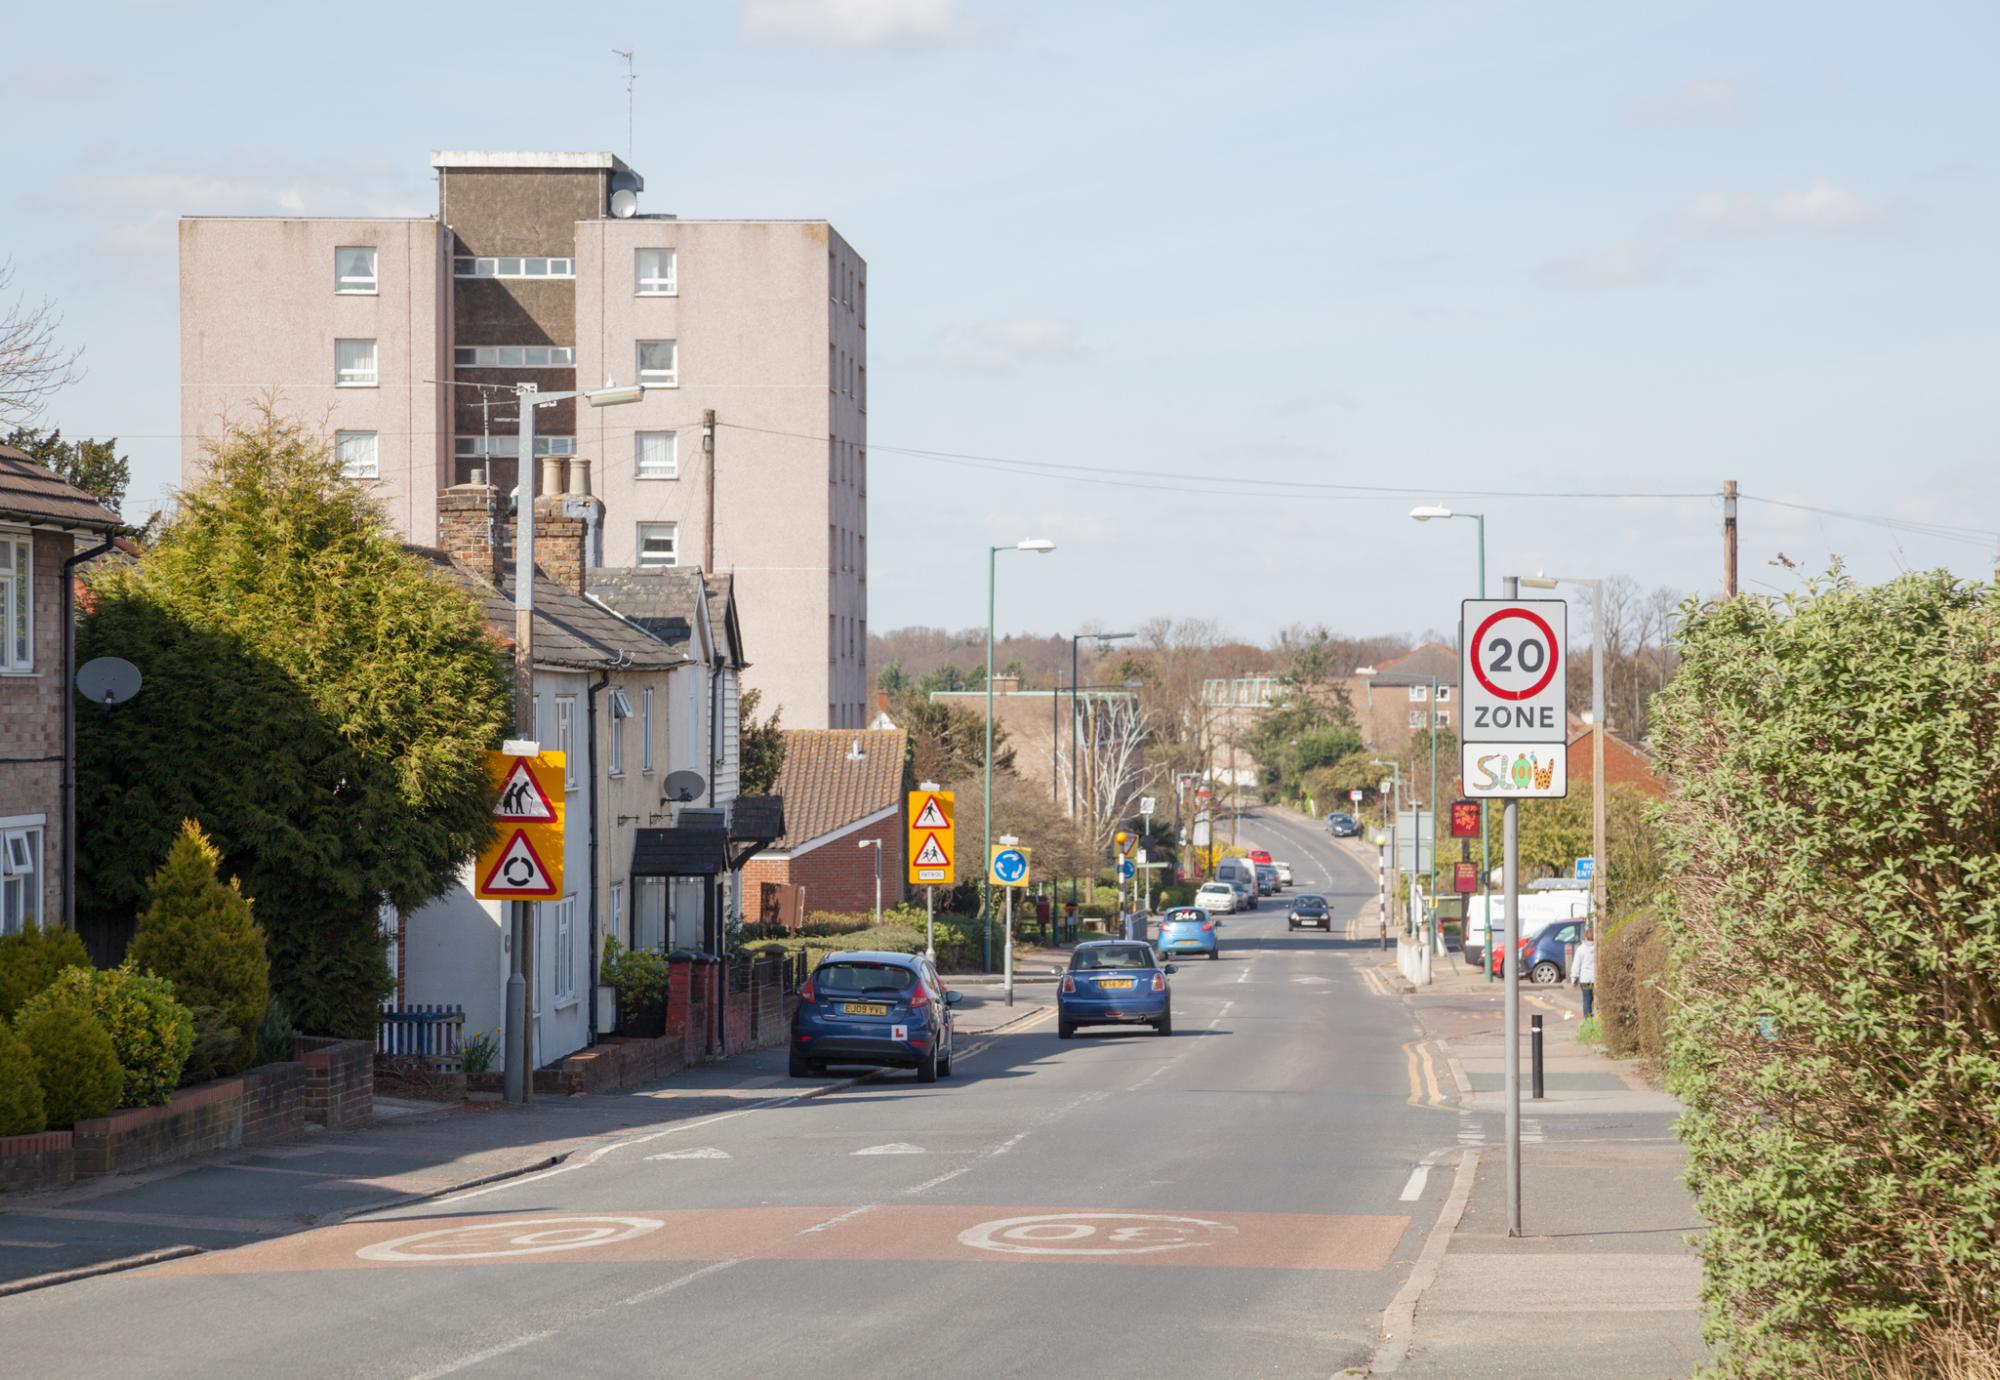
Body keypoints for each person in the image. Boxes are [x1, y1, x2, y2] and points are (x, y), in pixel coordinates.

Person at [1572, 925, 1597, 1017]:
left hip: (1585, 979)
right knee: (1598, 1001)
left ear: (1585, 937)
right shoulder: (1597, 948)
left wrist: (1574, 978)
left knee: (1587, 1000)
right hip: (1596, 978)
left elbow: (1576, 965)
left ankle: (1588, 1021)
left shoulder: (1580, 949)